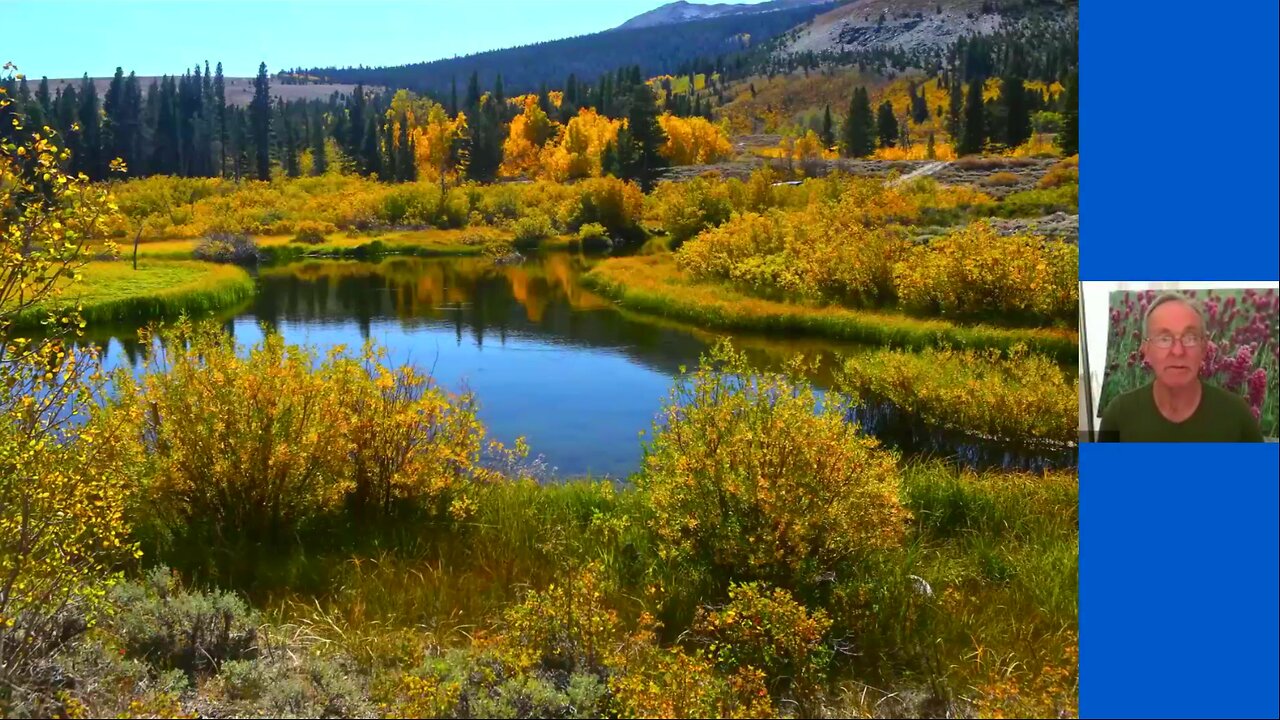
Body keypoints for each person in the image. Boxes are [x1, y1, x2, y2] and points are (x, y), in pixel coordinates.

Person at [1099, 292, 1264, 442]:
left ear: (1204, 348)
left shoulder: (1238, 415)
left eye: (1190, 338)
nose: (1178, 351)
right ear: (1145, 350)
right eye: (1164, 339)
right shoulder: (1118, 414)